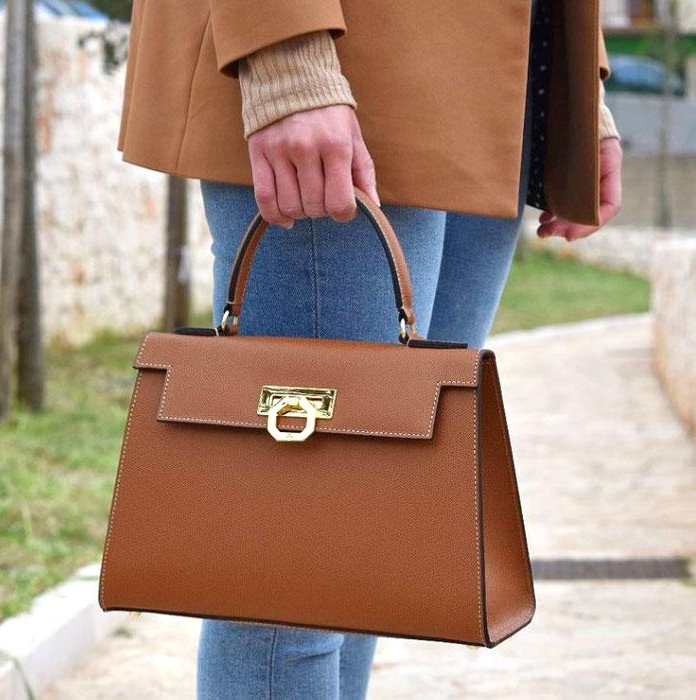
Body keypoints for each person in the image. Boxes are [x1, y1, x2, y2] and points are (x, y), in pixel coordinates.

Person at [116, 1, 621, 697]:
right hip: (344, 60)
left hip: (497, 78)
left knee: (362, 565)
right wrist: (284, 53)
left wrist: (579, 84)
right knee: (286, 587)